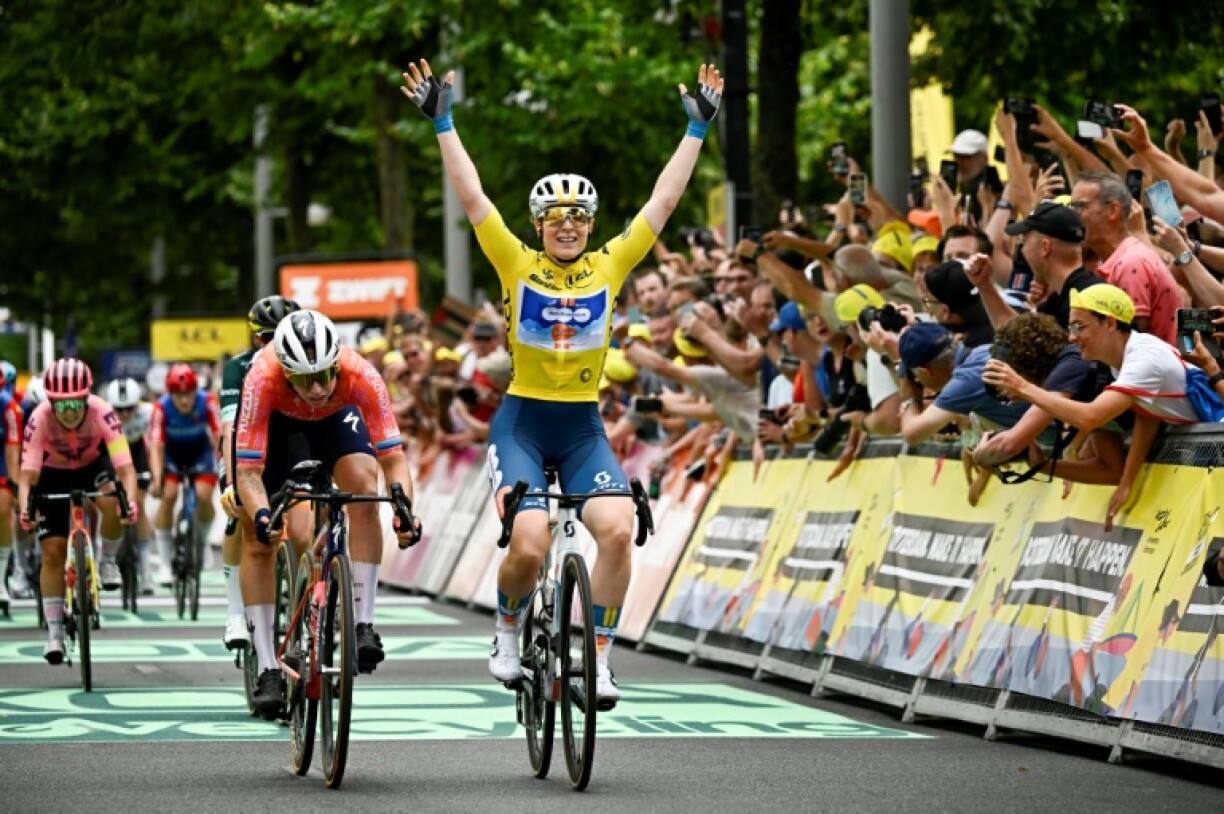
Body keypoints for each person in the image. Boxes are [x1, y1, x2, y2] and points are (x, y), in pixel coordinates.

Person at [402, 58, 722, 707]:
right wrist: (443, 121)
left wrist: (695, 134)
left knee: (617, 528)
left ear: (591, 224)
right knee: (529, 539)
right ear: (540, 227)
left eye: (579, 216)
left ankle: (599, 660)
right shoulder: (515, 260)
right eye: (556, 218)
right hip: (522, 423)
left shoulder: (612, 263)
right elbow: (473, 198)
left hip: (581, 427)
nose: (569, 225)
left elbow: (663, 205)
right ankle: (507, 629)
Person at [233, 309, 421, 719]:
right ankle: (267, 665)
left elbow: (394, 459)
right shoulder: (262, 378)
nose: (317, 387)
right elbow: (247, 473)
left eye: (324, 374)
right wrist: (264, 514)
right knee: (258, 537)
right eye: (303, 378)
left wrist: (404, 508)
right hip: (280, 426)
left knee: (363, 485)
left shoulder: (360, 374)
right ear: (285, 372)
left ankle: (363, 623)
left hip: (336, 422)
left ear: (337, 361)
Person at [982, 285, 1211, 529]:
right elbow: (1149, 415)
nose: (1071, 337)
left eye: (1079, 327)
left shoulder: (1144, 360)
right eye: (1070, 327)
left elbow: (1090, 418)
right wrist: (1126, 482)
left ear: (1110, 323)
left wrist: (1022, 387)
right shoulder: (1122, 360)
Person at [17, 359, 139, 662]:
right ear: (50, 402)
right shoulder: (39, 417)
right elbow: (27, 477)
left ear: (86, 398)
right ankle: (55, 631)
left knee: (112, 499)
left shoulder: (102, 411)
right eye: (61, 405)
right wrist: (24, 510)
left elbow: (125, 468)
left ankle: (108, 560)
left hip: (91, 466)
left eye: (75, 403)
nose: (69, 412)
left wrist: (132, 501)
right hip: (51, 471)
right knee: (53, 551)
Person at [216, 295, 304, 652]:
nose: (273, 345)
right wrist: (229, 481)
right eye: (267, 337)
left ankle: (307, 594)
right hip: (245, 443)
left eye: (281, 335)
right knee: (240, 514)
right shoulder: (239, 368)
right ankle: (237, 612)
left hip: (292, 440)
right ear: (256, 339)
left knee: (310, 517)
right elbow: (229, 429)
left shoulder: (303, 362)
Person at [147, 363, 221, 588]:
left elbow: (219, 436)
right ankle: (165, 564)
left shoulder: (207, 401)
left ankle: (202, 541)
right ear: (171, 394)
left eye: (188, 393)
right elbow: (157, 448)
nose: (185, 400)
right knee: (168, 496)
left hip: (200, 451)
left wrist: (223, 465)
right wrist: (157, 478)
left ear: (194, 391)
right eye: (179, 395)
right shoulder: (161, 408)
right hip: (172, 453)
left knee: (204, 496)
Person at [103, 377, 157, 593]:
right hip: (112, 454)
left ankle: (145, 569)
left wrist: (156, 474)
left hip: (137, 453)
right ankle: (105, 555)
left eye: (129, 409)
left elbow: (155, 444)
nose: (125, 415)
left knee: (139, 504)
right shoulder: (103, 414)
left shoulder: (150, 412)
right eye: (119, 409)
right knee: (109, 503)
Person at [0, 362, 22, 611]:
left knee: (3, 507)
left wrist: (15, 484)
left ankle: (0, 581)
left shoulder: (9, 407)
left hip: (2, 456)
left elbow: (12, 449)